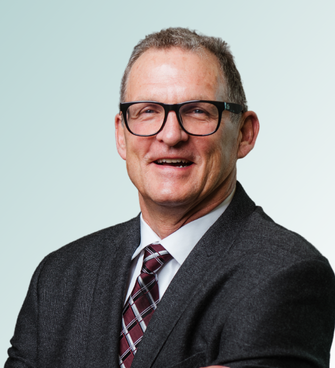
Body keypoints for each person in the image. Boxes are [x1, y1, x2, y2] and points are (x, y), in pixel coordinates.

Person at [5, 27, 335, 368]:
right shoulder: (60, 277)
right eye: (148, 111)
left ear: (244, 134)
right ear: (121, 134)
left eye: (198, 111)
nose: (171, 134)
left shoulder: (285, 274)